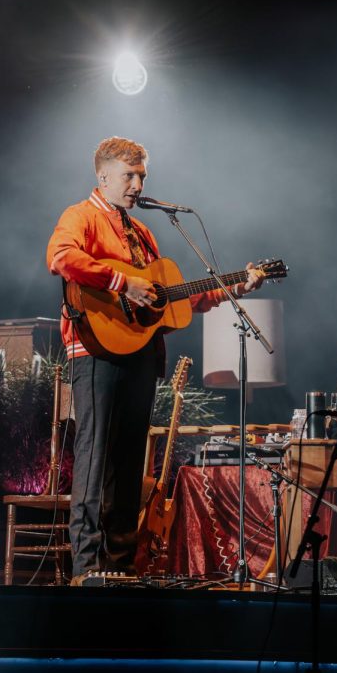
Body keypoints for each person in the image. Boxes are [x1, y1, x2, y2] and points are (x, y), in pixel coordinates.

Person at [47, 136, 264, 580]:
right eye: (129, 175)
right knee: (95, 454)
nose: (138, 183)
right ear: (103, 176)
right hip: (94, 349)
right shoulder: (81, 215)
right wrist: (120, 284)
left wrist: (231, 288)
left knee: (129, 461)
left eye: (142, 175)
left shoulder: (141, 232)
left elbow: (171, 300)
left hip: (140, 352)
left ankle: (120, 566)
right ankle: (86, 568)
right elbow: (61, 257)